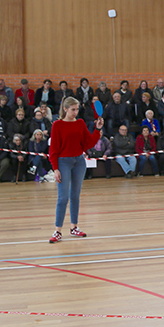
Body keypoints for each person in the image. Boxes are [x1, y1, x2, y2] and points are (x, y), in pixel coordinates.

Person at [47, 97, 104, 243]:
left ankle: (74, 227)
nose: (75, 112)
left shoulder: (80, 123)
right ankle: (58, 231)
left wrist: (97, 130)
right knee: (63, 198)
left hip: (79, 161)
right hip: (63, 162)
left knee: (75, 196)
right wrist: (55, 168)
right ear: (65, 109)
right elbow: (53, 149)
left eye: (77, 109)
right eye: (73, 109)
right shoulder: (57, 125)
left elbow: (88, 143)